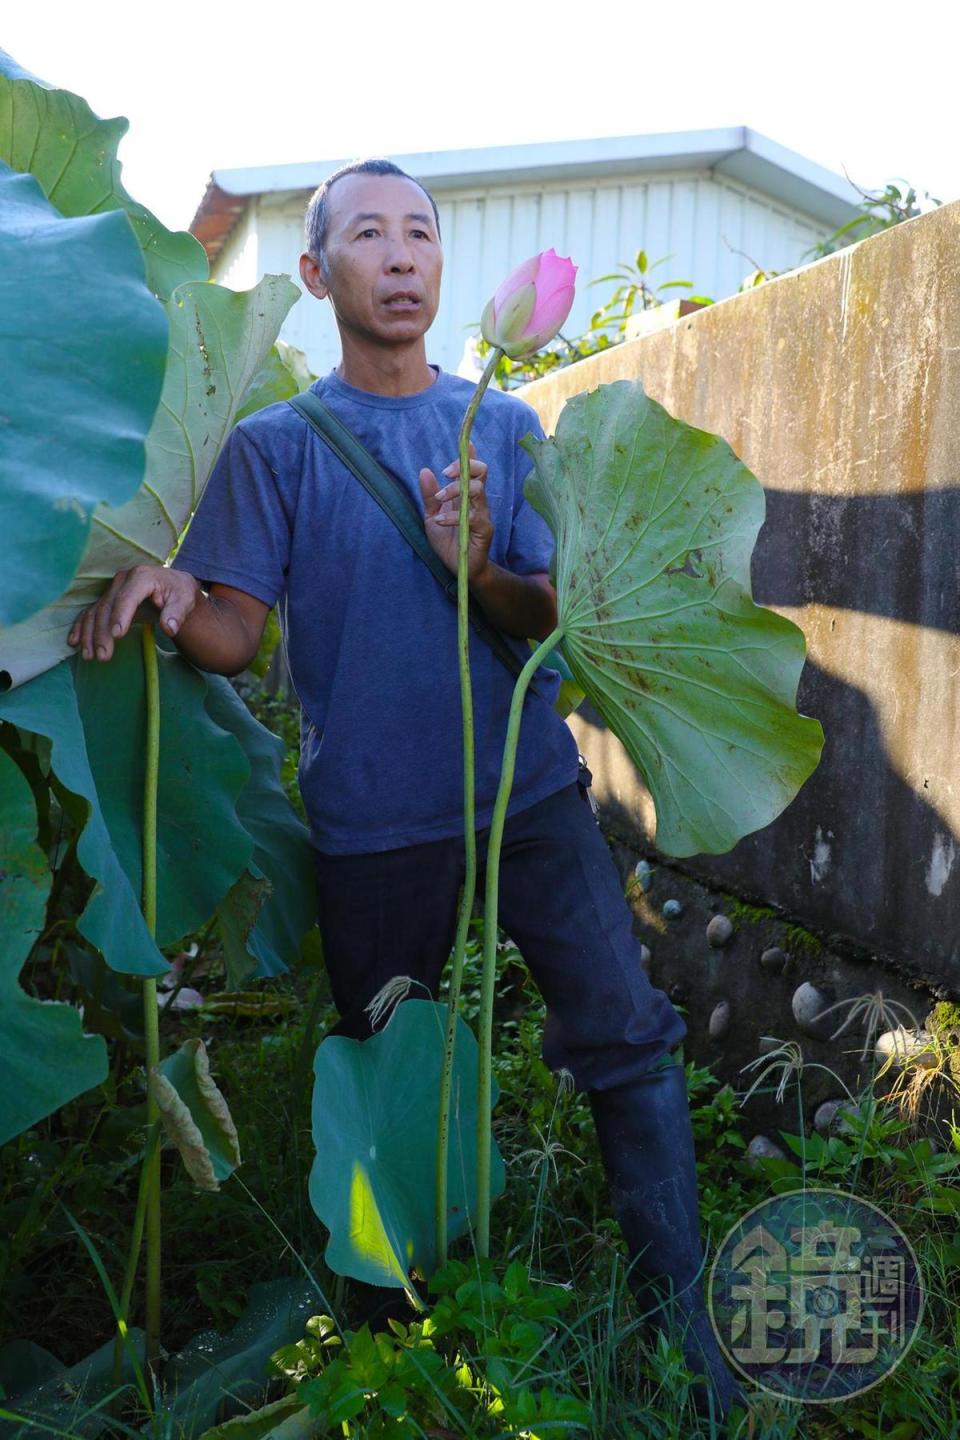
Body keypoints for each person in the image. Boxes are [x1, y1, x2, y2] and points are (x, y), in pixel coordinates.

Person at [67, 159, 746, 1421]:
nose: (400, 255)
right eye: (367, 235)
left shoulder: (507, 426)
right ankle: (396, 1351)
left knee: (630, 1043)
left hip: (530, 796)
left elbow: (549, 615)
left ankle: (683, 1338)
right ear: (319, 273)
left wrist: (478, 565)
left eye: (421, 233)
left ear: (445, 270)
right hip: (374, 821)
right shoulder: (277, 447)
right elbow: (239, 635)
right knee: (387, 1069)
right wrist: (171, 599)